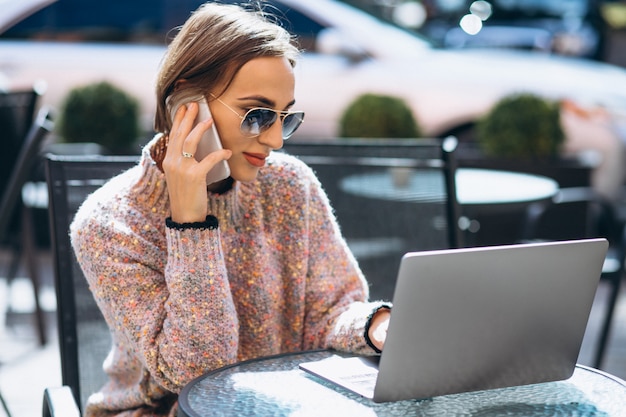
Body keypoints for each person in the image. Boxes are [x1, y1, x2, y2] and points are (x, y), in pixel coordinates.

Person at [70, 3, 391, 416]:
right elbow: (196, 374)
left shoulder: (290, 185)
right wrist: (190, 227)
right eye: (257, 114)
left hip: (284, 406)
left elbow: (330, 312)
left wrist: (378, 328)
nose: (275, 140)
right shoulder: (110, 224)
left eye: (284, 118)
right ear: (186, 101)